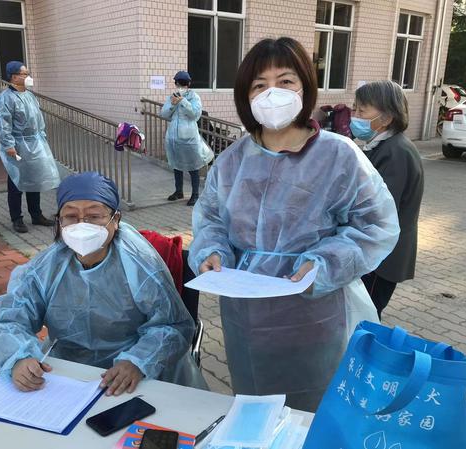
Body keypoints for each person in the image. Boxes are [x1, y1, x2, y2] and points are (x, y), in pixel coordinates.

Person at [188, 37, 400, 412]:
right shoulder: (231, 161)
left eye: (285, 81)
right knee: (254, 405)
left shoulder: (338, 155)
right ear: (246, 96)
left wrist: (325, 263)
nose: (272, 93)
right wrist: (212, 252)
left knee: (312, 411)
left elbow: (375, 225)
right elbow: (211, 219)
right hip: (246, 318)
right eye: (259, 85)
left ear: (304, 86)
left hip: (313, 315)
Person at [0, 171, 207, 395]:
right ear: (59, 221)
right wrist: (18, 358)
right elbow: (6, 318)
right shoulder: (47, 267)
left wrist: (138, 362)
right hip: (67, 372)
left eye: (94, 216)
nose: (82, 225)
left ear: (115, 220)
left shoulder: (140, 264)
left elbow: (172, 325)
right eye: (71, 216)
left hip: (139, 375)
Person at [350, 80, 424, 318]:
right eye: (355, 109)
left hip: (382, 257)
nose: (355, 116)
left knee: (365, 315)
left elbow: (377, 208)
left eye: (362, 111)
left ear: (387, 118)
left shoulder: (396, 152)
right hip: (375, 250)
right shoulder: (382, 146)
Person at [0, 61, 60, 234]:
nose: (28, 77)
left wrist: (41, 137)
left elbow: (38, 119)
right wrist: (8, 145)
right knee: (16, 181)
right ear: (14, 77)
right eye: (25, 74)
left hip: (35, 143)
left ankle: (36, 215)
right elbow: (2, 123)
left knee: (34, 180)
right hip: (18, 144)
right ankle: (17, 219)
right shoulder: (5, 98)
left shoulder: (30, 96)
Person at [160, 71, 213, 206]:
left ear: (188, 84)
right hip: (173, 138)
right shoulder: (172, 96)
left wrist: (183, 101)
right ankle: (179, 191)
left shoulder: (194, 97)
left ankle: (195, 194)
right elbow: (164, 114)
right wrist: (173, 104)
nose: (180, 86)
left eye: (182, 84)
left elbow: (195, 114)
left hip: (189, 139)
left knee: (193, 166)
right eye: (178, 83)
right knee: (176, 165)